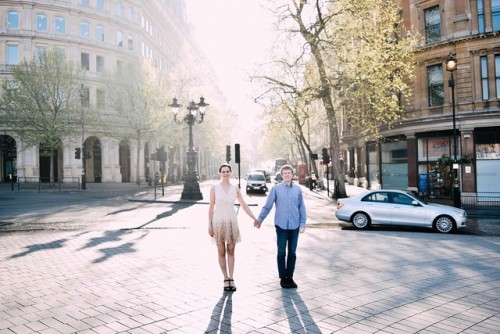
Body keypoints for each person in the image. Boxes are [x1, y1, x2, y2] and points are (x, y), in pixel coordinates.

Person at [254, 164, 306, 289]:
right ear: (282, 175)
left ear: (292, 174)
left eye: (289, 173)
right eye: (285, 173)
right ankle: (283, 278)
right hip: (281, 226)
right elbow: (268, 206)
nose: (287, 175)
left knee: (292, 253)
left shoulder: (298, 190)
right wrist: (260, 219)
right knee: (281, 252)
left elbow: (301, 207)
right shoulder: (276, 189)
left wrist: (303, 224)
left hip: (294, 226)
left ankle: (290, 277)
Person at [209, 163, 258, 292]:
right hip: (218, 222)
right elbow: (211, 208)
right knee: (221, 251)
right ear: (219, 173)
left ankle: (231, 278)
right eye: (223, 171)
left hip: (232, 222)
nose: (225, 173)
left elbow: (244, 205)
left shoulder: (235, 188)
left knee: (231, 251)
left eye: (227, 171)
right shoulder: (214, 188)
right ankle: (225, 278)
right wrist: (209, 225)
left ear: (230, 173)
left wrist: (254, 218)